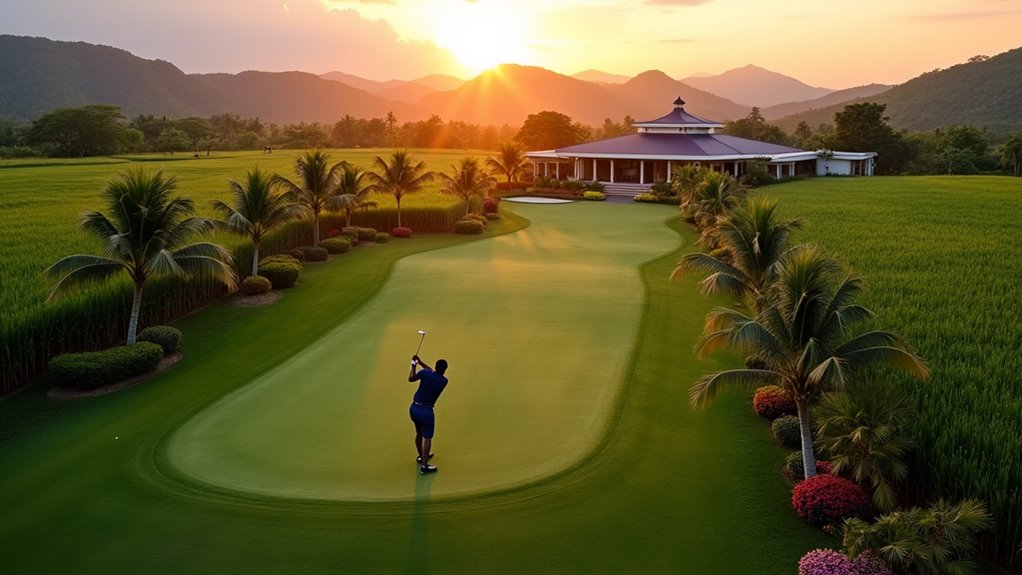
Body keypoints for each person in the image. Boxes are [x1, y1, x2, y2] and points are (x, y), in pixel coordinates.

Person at [408, 354, 448, 475]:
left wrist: (414, 366)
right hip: (426, 412)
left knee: (419, 433)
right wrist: (420, 362)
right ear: (445, 370)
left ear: (435, 366)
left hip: (414, 408)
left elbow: (411, 378)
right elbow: (433, 372)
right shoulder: (443, 381)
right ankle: (425, 466)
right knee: (427, 438)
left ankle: (421, 456)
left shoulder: (425, 373)